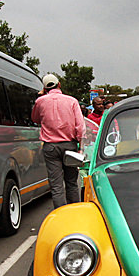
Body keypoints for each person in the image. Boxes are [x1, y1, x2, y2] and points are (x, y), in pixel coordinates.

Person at [31, 74, 84, 208]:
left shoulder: (40, 102)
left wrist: (41, 96)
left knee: (56, 185)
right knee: (71, 182)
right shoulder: (72, 101)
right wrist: (79, 145)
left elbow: (35, 119)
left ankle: (61, 215)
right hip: (69, 145)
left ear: (44, 88)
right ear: (59, 84)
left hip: (50, 147)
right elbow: (80, 126)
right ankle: (75, 212)